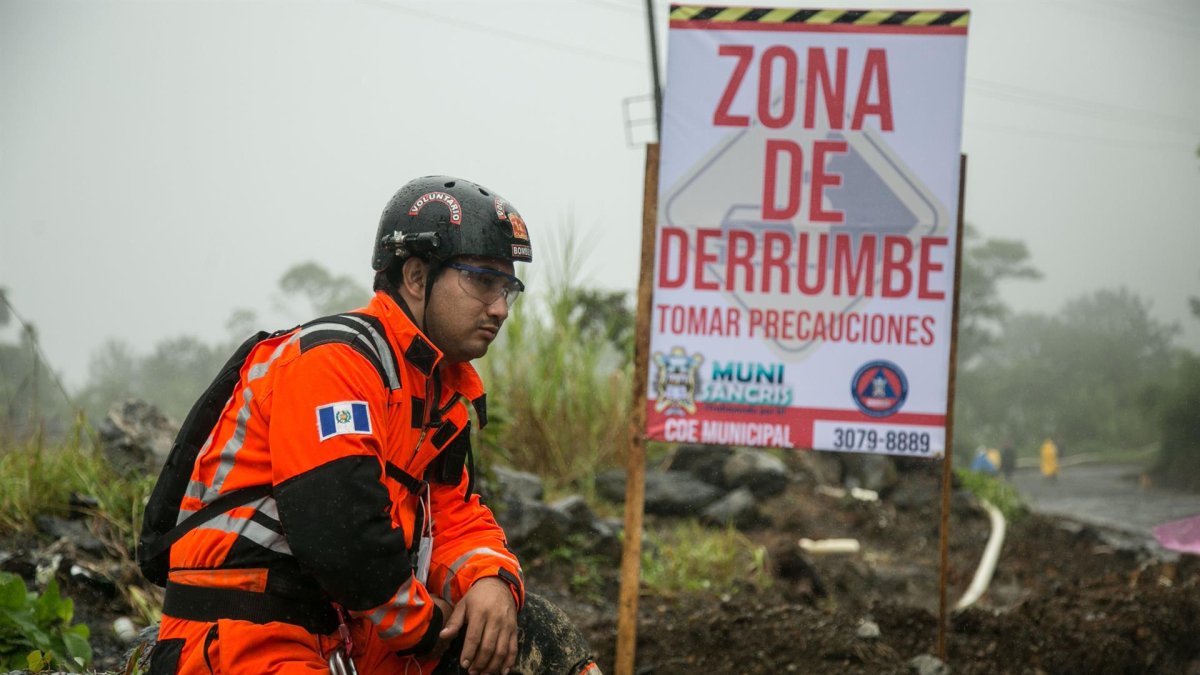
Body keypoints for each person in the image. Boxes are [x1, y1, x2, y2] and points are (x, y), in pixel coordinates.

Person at [148, 176, 598, 675]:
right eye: (481, 280)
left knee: (527, 632)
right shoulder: (334, 361)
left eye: (507, 288)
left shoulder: (437, 391)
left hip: (346, 633)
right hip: (243, 632)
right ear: (416, 276)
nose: (498, 308)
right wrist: (425, 630)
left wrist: (491, 579)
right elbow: (339, 531)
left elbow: (456, 517)